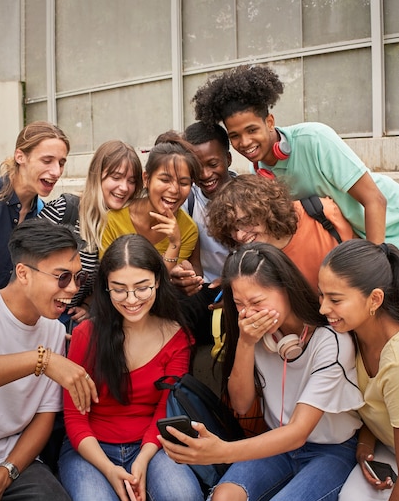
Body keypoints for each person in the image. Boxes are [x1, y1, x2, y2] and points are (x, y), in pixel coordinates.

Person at [158, 242, 364, 501]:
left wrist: (221, 452)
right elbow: (240, 404)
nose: (248, 312)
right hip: (276, 446)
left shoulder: (331, 342)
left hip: (330, 452)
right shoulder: (253, 334)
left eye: (256, 301)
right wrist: (247, 344)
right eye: (239, 304)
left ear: (285, 288)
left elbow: (299, 431)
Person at [58, 233, 206, 501]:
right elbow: (75, 417)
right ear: (105, 289)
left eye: (142, 287)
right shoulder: (89, 333)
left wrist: (141, 460)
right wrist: (110, 470)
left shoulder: (177, 335)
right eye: (119, 289)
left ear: (158, 280)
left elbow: (165, 409)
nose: (132, 298)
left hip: (153, 442)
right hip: (90, 448)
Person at [0, 220, 98, 501]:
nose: (71, 290)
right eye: (62, 277)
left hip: (8, 457)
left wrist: (4, 475)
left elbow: (44, 419)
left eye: (77, 278)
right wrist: (41, 361)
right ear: (23, 273)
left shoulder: (52, 329)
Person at [192, 64, 399, 246]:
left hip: (389, 224)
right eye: (235, 135)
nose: (245, 143)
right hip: (353, 239)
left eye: (252, 130)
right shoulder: (258, 171)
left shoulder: (314, 138)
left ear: (270, 122)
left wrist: (376, 260)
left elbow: (375, 200)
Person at [319, 240, 399, 501]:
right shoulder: (352, 337)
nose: (324, 309)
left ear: (375, 299)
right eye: (322, 296)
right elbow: (372, 405)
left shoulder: (396, 361)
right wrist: (365, 447)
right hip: (387, 445)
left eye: (335, 300)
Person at [38, 139, 143, 328]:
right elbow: (24, 263)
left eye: (131, 181)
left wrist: (87, 305)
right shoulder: (65, 210)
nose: (124, 187)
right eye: (116, 177)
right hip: (36, 321)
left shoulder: (120, 223)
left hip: (66, 323)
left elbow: (100, 283)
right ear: (97, 175)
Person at [206, 173, 354, 291]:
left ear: (264, 209)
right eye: (231, 229)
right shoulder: (251, 260)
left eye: (244, 222)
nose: (239, 235)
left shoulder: (320, 212)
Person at [0, 120, 70, 289]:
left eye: (61, 163)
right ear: (20, 156)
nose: (56, 172)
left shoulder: (44, 214)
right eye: (47, 160)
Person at [169, 122, 234, 344]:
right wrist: (180, 276)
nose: (205, 174)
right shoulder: (185, 200)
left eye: (213, 164)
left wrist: (239, 288)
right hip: (203, 289)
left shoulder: (248, 198)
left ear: (228, 159)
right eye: (197, 167)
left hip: (241, 286)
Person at [100, 138, 201, 273]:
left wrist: (175, 243)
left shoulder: (188, 229)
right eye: (165, 180)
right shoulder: (112, 220)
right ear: (146, 179)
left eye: (183, 183)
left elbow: (163, 284)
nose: (174, 189)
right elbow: (108, 276)